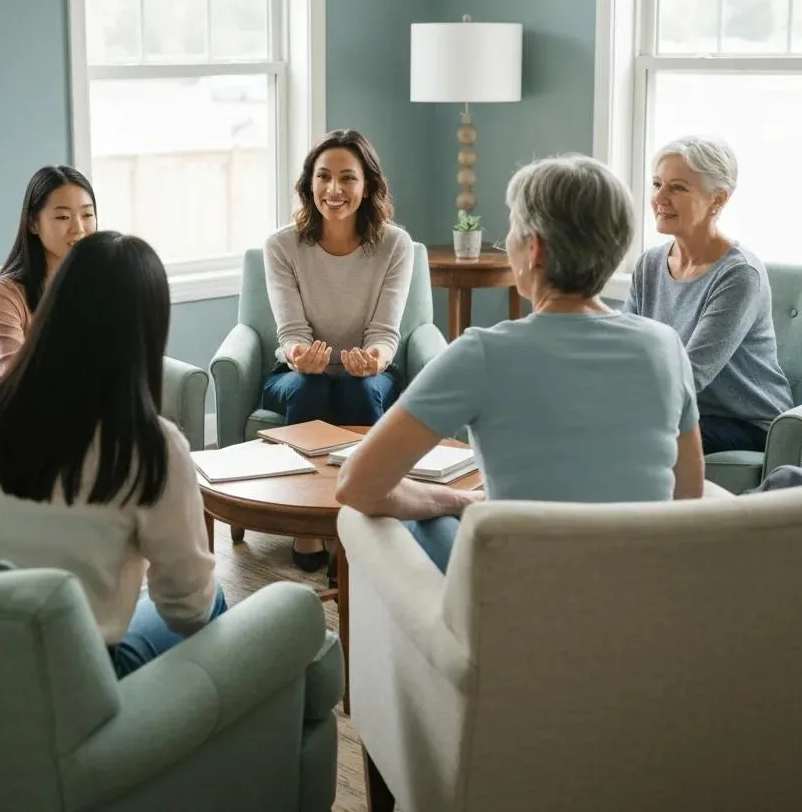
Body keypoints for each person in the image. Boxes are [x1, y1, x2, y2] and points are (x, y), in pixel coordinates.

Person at [336, 155, 705, 573]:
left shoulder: (482, 353)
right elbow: (688, 495)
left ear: (534, 249)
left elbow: (357, 485)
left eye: (511, 230)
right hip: (639, 600)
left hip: (520, 604)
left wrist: (459, 501)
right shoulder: (666, 346)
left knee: (392, 518)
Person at [0, 232, 225, 677]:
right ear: (148, 329)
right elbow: (188, 609)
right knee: (214, 599)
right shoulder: (149, 445)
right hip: (70, 685)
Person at [262, 128, 414, 570]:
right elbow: (291, 330)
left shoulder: (394, 245)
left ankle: (358, 528)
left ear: (367, 186)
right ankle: (308, 528)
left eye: (348, 178)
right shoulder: (281, 246)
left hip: (369, 373)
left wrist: (375, 361)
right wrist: (297, 354)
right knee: (311, 389)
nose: (334, 190)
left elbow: (385, 332)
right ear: (309, 184)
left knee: (358, 392)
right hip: (294, 374)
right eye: (324, 177)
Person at [625, 137, 792, 455]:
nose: (659, 198)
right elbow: (627, 347)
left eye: (677, 188)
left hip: (746, 424)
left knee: (632, 434)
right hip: (682, 411)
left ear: (717, 200)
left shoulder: (739, 274)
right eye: (657, 183)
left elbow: (691, 375)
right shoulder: (649, 264)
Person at [0, 165, 96, 384]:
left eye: (87, 214)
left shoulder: (96, 285)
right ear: (32, 223)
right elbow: (21, 382)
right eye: (62, 217)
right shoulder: (3, 295)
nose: (78, 228)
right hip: (12, 410)